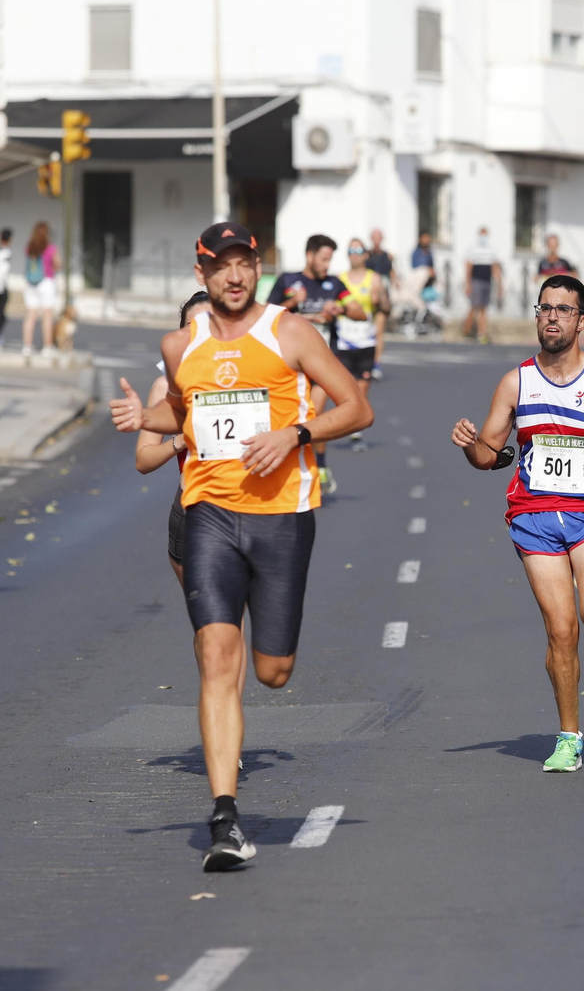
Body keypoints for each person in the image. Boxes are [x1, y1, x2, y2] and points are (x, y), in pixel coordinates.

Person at [109, 221, 372, 872]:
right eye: (220, 266)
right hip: (209, 514)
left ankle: (269, 639)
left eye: (244, 263)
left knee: (271, 671)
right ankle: (225, 816)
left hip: (281, 516)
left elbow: (357, 407)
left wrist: (297, 434)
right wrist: (146, 419)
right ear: (201, 276)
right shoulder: (179, 344)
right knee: (215, 655)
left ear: (258, 268)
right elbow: (186, 409)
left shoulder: (290, 332)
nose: (234, 275)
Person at [449, 274, 584, 773]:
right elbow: (492, 456)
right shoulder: (516, 381)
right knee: (561, 629)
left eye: (563, 310)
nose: (552, 317)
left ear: (581, 321)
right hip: (535, 514)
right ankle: (569, 736)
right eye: (545, 308)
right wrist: (470, 443)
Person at [264, 234, 367, 494]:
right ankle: (288, 465)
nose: (326, 265)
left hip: (322, 363)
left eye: (330, 260)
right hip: (288, 363)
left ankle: (319, 466)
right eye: (323, 259)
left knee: (315, 413)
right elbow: (264, 314)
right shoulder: (288, 281)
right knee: (289, 417)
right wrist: (293, 303)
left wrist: (340, 310)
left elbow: (361, 312)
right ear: (309, 256)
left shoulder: (334, 284)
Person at [135, 291, 213, 584]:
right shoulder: (165, 385)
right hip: (192, 508)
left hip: (244, 503)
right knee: (211, 623)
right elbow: (143, 459)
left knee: (229, 621)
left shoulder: (245, 377)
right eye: (190, 328)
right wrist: (180, 440)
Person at [336, 238, 388, 447]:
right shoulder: (339, 279)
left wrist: (380, 296)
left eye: (358, 250)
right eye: (351, 250)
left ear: (365, 255)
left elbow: (386, 308)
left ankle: (356, 432)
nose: (354, 254)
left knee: (363, 388)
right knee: (348, 386)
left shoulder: (373, 278)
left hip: (366, 341)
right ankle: (350, 423)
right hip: (344, 341)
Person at [365, 228, 398, 380]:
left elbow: (391, 272)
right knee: (366, 331)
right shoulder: (366, 256)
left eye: (379, 237)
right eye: (375, 237)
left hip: (382, 296)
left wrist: (396, 282)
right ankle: (366, 363)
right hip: (368, 297)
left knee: (379, 331)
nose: (377, 239)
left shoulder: (387, 256)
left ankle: (376, 364)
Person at [21, 222, 59, 354]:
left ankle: (27, 346)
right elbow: (57, 263)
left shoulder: (30, 248)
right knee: (47, 315)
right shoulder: (50, 248)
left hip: (31, 283)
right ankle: (47, 347)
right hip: (46, 282)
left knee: (30, 315)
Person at [463, 226, 501, 343]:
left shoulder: (491, 249)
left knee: (484, 308)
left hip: (487, 280)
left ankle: (481, 333)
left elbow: (495, 267)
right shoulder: (473, 248)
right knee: (475, 306)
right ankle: (467, 331)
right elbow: (468, 267)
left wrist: (499, 285)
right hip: (476, 280)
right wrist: (468, 284)